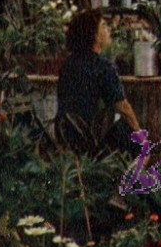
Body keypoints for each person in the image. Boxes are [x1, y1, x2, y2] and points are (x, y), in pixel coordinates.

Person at [54, 9, 143, 152]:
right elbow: (123, 107)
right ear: (94, 35)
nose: (108, 29)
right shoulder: (103, 67)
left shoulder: (67, 65)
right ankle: (128, 174)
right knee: (141, 147)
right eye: (103, 26)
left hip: (66, 133)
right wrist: (140, 135)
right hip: (93, 137)